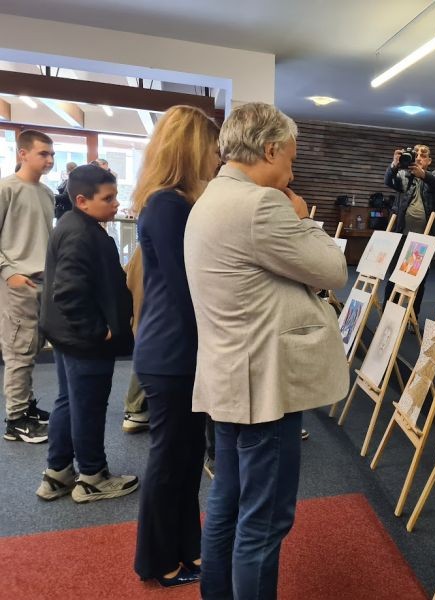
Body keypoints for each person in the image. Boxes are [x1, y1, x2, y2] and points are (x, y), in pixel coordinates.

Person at [184, 102, 349, 600]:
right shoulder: (261, 205)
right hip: (263, 384)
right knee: (265, 520)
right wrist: (305, 220)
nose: (291, 173)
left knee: (228, 504)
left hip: (231, 373)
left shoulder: (212, 196)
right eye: (291, 159)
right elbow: (332, 270)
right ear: (271, 149)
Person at [132, 105, 220, 588]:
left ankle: (188, 548)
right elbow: (189, 290)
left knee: (186, 460)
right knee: (170, 462)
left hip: (177, 349)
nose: (217, 157)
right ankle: (157, 561)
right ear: (190, 148)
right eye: (212, 148)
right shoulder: (168, 205)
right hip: (172, 352)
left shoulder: (173, 202)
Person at [35, 164, 138, 502]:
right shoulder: (81, 234)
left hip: (67, 337)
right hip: (85, 342)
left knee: (69, 401)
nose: (116, 203)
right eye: (108, 198)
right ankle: (92, 476)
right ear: (82, 200)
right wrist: (98, 331)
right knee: (88, 407)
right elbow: (68, 292)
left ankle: (58, 472)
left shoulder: (73, 224)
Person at [1, 129, 55, 444]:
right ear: (23, 154)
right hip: (17, 283)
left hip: (42, 282)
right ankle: (16, 420)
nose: (49, 160)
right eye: (43, 154)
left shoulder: (47, 193)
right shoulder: (5, 189)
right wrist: (9, 273)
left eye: (51, 154)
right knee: (19, 352)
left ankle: (27, 407)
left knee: (32, 348)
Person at [382, 144, 435, 319]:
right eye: (416, 155)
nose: (418, 158)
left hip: (424, 239)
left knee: (419, 279)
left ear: (429, 161)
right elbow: (388, 181)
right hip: (402, 235)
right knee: (395, 276)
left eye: (423, 156)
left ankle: (413, 317)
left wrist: (422, 175)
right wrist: (394, 165)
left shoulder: (434, 176)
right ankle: (388, 315)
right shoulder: (404, 175)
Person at [121, 247, 148, 434]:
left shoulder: (141, 249)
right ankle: (136, 410)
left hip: (140, 317)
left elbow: (125, 276)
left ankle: (135, 409)